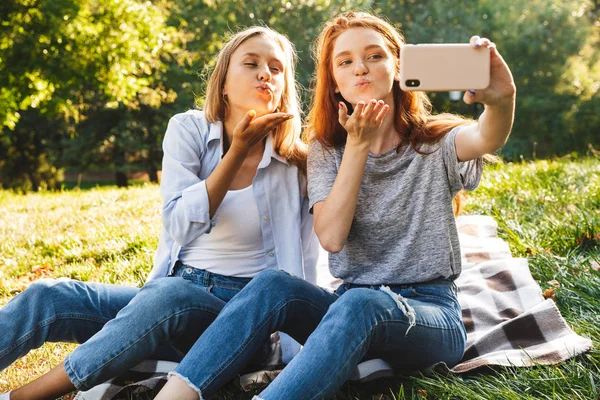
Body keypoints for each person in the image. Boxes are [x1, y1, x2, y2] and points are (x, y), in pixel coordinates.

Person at [151, 10, 516, 400]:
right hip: (347, 309)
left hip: (428, 313)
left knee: (363, 303)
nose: (361, 68)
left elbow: (485, 136)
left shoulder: (434, 142)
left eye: (375, 56)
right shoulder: (326, 152)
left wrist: (502, 99)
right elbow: (331, 237)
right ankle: (178, 394)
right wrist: (357, 146)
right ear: (335, 83)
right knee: (276, 284)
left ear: (397, 67)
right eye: (345, 62)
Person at [0, 26, 318, 400]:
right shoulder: (187, 130)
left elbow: (311, 261)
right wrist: (236, 153)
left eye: (277, 69)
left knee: (172, 295)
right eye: (251, 63)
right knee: (48, 296)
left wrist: (297, 347)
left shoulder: (299, 163)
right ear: (224, 84)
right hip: (168, 295)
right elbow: (181, 225)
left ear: (284, 90)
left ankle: (23, 397)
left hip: (245, 319)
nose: (265, 73)